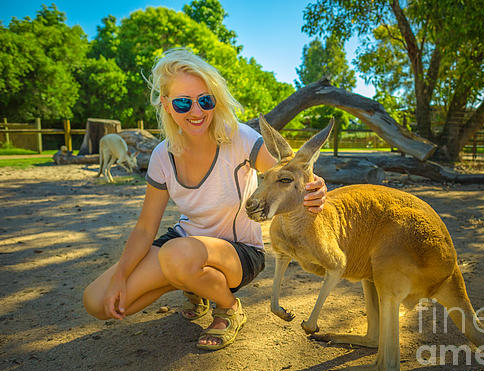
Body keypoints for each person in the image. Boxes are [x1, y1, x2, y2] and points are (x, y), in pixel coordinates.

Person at [82, 48, 327, 350]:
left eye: (205, 100)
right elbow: (146, 228)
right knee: (98, 301)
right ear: (166, 105)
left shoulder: (240, 138)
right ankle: (191, 282)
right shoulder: (162, 155)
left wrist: (316, 186)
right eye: (183, 103)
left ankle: (228, 308)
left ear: (215, 100)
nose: (196, 112)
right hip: (184, 247)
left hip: (239, 253)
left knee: (176, 256)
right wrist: (121, 275)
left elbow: (287, 173)